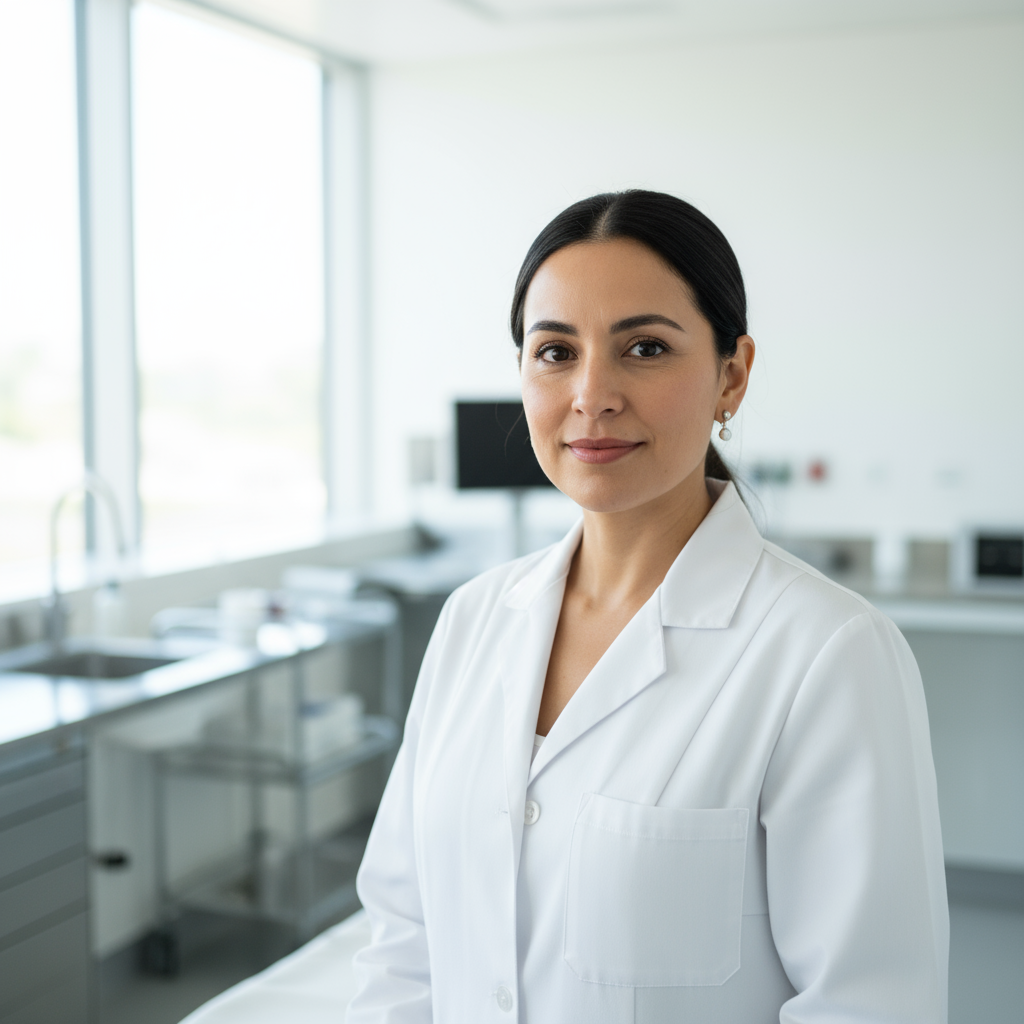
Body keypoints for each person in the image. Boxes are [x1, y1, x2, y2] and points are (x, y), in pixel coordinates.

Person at [347, 190, 948, 1023]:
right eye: (555, 352)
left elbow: (870, 1002)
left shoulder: (827, 653)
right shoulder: (473, 620)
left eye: (644, 347)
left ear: (731, 375)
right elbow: (404, 941)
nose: (592, 394)